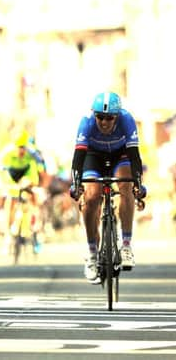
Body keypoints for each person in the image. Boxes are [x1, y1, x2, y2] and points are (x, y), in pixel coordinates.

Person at [69, 92, 147, 284]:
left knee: (125, 185)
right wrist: (77, 185)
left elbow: (134, 155)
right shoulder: (86, 122)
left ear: (117, 116)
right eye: (100, 117)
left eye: (109, 118)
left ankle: (126, 246)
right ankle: (92, 254)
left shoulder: (127, 119)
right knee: (91, 196)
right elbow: (78, 157)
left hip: (120, 155)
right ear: (94, 115)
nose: (104, 122)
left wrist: (137, 183)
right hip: (93, 156)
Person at [0, 130, 41, 253]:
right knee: (10, 200)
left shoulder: (32, 152)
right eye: (19, 148)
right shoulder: (7, 152)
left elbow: (37, 169)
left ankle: (34, 229)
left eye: (24, 148)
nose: (22, 151)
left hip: (26, 173)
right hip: (12, 174)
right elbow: (2, 172)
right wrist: (9, 186)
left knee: (32, 195)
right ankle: (8, 234)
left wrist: (32, 183)